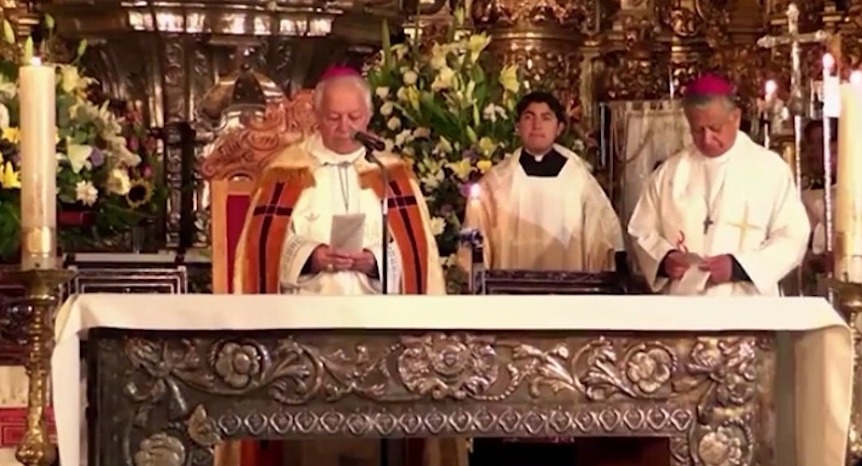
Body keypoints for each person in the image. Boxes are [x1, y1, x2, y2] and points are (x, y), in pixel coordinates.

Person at [230, 66, 465, 466]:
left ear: (368, 118)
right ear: (317, 117)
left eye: (353, 117)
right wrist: (310, 255)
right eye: (334, 117)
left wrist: (375, 260)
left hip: (380, 332)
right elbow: (262, 252)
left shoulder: (392, 173)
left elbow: (417, 256)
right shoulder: (285, 172)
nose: (344, 126)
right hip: (305, 333)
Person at [627, 74, 810, 296]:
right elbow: (641, 230)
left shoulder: (769, 169)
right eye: (697, 129)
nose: (706, 138)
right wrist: (665, 260)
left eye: (715, 128)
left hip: (747, 309)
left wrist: (739, 267)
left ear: (735, 117)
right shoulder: (670, 172)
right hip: (685, 308)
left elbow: (793, 236)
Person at [459, 91, 623, 272]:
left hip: (570, 291)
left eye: (546, 118)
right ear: (518, 126)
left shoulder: (579, 180)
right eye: (529, 117)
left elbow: (605, 236)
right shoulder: (496, 182)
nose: (537, 125)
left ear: (559, 128)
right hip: (508, 293)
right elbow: (475, 239)